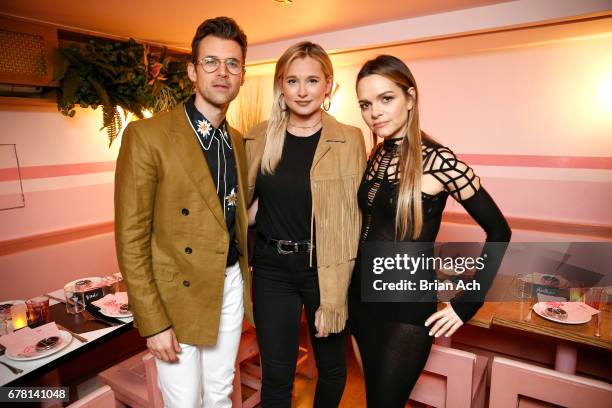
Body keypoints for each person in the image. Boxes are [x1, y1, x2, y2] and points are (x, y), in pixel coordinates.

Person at [348, 55, 512, 407]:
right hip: (359, 302)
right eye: (365, 103)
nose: (374, 112)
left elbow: (499, 230)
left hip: (405, 311)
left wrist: (467, 303)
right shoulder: (377, 153)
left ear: (410, 98)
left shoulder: (439, 161)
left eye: (386, 98)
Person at [114, 17, 252, 408]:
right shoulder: (148, 136)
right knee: (185, 403)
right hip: (177, 294)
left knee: (221, 392)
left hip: (229, 284)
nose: (222, 72)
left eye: (232, 64)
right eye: (210, 62)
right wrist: (153, 321)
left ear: (242, 75)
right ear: (192, 71)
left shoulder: (237, 141)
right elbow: (131, 239)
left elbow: (231, 215)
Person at [244, 41, 366, 407]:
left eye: (312, 80)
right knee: (277, 374)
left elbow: (357, 212)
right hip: (271, 268)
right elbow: (248, 203)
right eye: (292, 80)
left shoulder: (350, 139)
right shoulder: (259, 135)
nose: (302, 91)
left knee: (331, 368)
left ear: (328, 84)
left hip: (324, 268)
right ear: (281, 84)